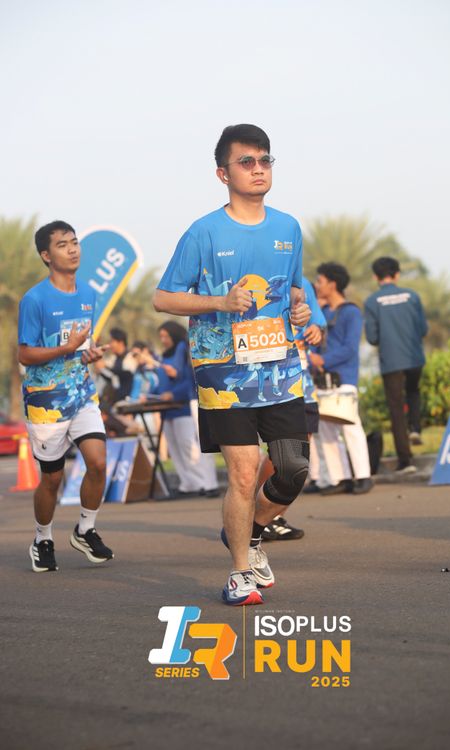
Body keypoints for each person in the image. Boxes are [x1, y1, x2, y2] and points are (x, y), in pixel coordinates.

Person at [153, 123, 311, 605]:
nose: (258, 169)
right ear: (223, 173)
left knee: (293, 468)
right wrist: (220, 303)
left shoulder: (288, 228)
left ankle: (251, 531)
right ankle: (240, 571)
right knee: (244, 472)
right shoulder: (203, 232)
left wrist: (303, 311)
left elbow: (295, 288)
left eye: (265, 160)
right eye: (247, 162)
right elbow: (163, 298)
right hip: (222, 372)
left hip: (280, 367)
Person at [18, 220, 113, 572]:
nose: (72, 249)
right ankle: (42, 538)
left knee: (98, 462)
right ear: (46, 255)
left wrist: (87, 353)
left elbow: (81, 343)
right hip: (46, 402)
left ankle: (85, 529)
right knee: (52, 479)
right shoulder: (35, 299)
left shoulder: (88, 294)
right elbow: (25, 354)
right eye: (62, 244)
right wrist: (66, 349)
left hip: (81, 392)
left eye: (74, 242)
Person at [261, 277, 325, 540]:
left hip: (300, 382)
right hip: (260, 380)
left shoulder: (301, 282)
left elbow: (317, 326)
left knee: (297, 456)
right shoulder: (246, 277)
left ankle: (272, 516)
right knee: (274, 453)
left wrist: (316, 331)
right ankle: (258, 515)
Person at [309, 262, 373, 495]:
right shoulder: (323, 313)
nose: (317, 285)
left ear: (333, 284)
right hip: (322, 381)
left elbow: (350, 348)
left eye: (320, 281)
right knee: (325, 431)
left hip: (344, 379)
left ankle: (363, 476)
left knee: (351, 428)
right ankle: (340, 478)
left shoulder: (351, 312)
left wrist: (322, 360)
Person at [364, 256, 428, 473]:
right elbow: (423, 329)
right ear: (397, 274)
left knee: (396, 409)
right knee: (413, 391)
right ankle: (415, 428)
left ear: (376, 277)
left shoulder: (372, 302)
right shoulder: (413, 296)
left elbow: (372, 337)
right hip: (414, 358)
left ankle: (406, 461)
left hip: (391, 362)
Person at [154, 321, 219, 497]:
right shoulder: (172, 352)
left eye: (166, 336)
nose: (163, 340)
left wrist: (174, 391)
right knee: (184, 445)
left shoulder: (183, 346)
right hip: (188, 400)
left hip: (193, 400)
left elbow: (182, 375)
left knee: (195, 443)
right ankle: (193, 483)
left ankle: (208, 483)